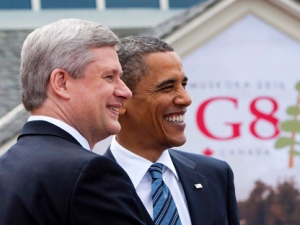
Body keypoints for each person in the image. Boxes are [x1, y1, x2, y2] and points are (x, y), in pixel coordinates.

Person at [0, 19, 153, 225]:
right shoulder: (90, 173)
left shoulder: (7, 167)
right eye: (109, 77)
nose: (125, 91)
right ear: (61, 83)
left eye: (121, 77)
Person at [104, 36, 240, 225]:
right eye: (167, 87)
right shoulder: (86, 188)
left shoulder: (214, 175)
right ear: (122, 100)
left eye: (183, 85)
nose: (185, 99)